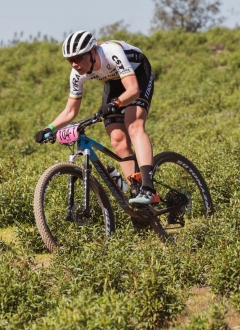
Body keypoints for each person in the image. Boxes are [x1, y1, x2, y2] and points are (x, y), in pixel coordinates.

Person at [34, 30, 158, 204]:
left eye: (78, 58)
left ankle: (148, 188)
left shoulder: (112, 52)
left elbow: (132, 90)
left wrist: (117, 104)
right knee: (117, 139)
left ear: (93, 52)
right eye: (70, 60)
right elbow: (70, 111)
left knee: (133, 124)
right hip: (113, 83)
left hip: (137, 75)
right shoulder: (76, 74)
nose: (74, 64)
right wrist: (50, 128)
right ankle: (135, 192)